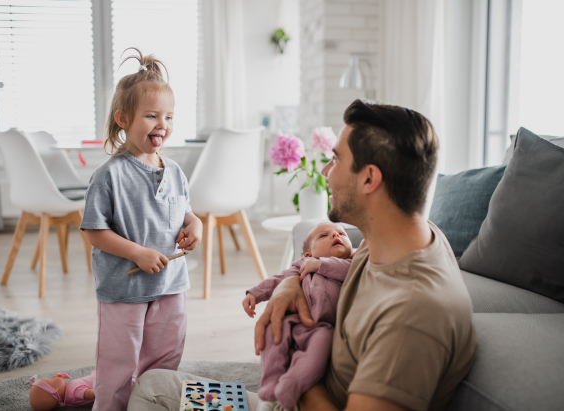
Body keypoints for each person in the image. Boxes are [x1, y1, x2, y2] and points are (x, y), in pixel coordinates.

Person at [127, 99, 477, 411]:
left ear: (370, 179)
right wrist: (291, 283)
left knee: (152, 394)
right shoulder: (398, 234)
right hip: (287, 397)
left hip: (296, 398)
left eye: (337, 159)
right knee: (153, 384)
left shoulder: (412, 317)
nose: (325, 171)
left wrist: (294, 369)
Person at [80, 47, 202, 411]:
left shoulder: (176, 172)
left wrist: (195, 226)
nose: (162, 124)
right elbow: (93, 230)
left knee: (164, 360)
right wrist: (137, 252)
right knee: (117, 364)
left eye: (168, 116)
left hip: (171, 285)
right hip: (124, 288)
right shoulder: (109, 175)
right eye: (151, 116)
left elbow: (186, 213)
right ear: (122, 118)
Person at [242, 222, 353, 409]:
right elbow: (278, 280)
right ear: (308, 254)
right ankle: (271, 380)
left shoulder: (351, 263)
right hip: (294, 320)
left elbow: (347, 271)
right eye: (324, 236)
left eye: (341, 233)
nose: (336, 236)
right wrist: (254, 293)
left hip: (324, 326)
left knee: (317, 354)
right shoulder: (301, 265)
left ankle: (294, 383)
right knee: (272, 333)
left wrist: (320, 264)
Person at [28, 371, 95, 411]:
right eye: (51, 380)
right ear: (56, 390)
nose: (54, 376)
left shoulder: (68, 401)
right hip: (100, 381)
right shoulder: (74, 391)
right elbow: (92, 394)